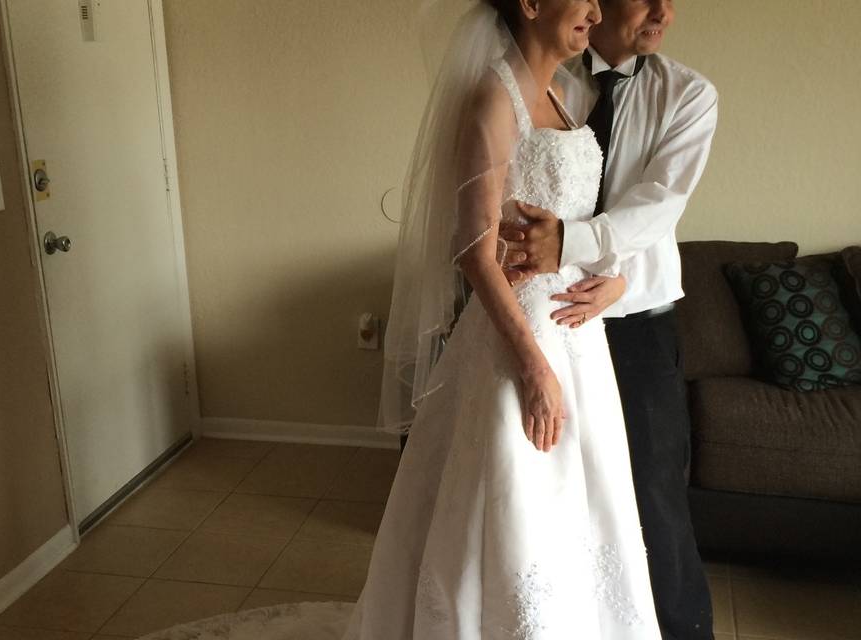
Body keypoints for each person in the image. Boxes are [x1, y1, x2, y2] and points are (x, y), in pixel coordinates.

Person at [141, 1, 662, 638]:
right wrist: (531, 364)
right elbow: (472, 251)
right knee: (511, 505)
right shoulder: (493, 100)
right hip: (520, 343)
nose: (595, 9)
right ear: (530, 4)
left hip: (580, 341)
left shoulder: (563, 97)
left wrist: (612, 277)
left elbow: (564, 228)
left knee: (578, 511)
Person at [498, 1, 720, 638]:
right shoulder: (550, 79)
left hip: (635, 321)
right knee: (556, 496)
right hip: (549, 322)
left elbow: (658, 204)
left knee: (653, 500)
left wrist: (596, 262)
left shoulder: (689, 94)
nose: (663, 12)